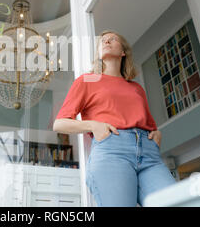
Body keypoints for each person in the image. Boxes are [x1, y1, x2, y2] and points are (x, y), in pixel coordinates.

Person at [53, 30, 176, 207]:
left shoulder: (136, 88)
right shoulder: (87, 80)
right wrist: (93, 125)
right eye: (102, 41)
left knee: (179, 201)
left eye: (113, 39)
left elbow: (148, 122)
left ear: (123, 52)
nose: (106, 42)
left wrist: (157, 134)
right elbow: (60, 123)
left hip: (149, 155)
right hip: (112, 152)